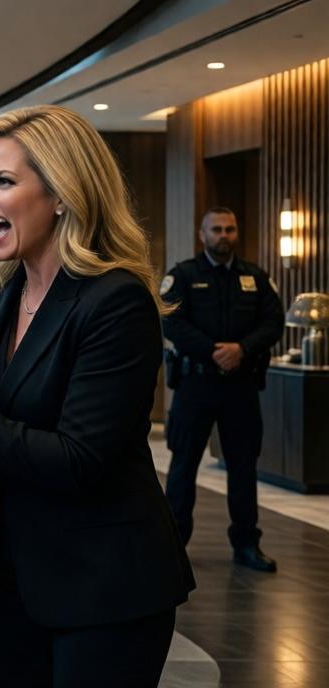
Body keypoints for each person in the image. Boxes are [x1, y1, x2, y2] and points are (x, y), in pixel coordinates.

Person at [0, 106, 195, 687]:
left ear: (63, 194)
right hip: (10, 579)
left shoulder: (116, 302)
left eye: (3, 181)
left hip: (104, 590)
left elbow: (80, 460)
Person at [161, 207, 284, 572]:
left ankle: (247, 544)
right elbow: (171, 321)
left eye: (229, 229)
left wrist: (241, 350)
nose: (224, 235)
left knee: (244, 469)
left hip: (240, 388)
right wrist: (214, 351)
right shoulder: (182, 276)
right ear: (203, 234)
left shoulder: (255, 278)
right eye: (216, 229)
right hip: (195, 385)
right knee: (183, 469)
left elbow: (273, 322)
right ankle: (172, 546)